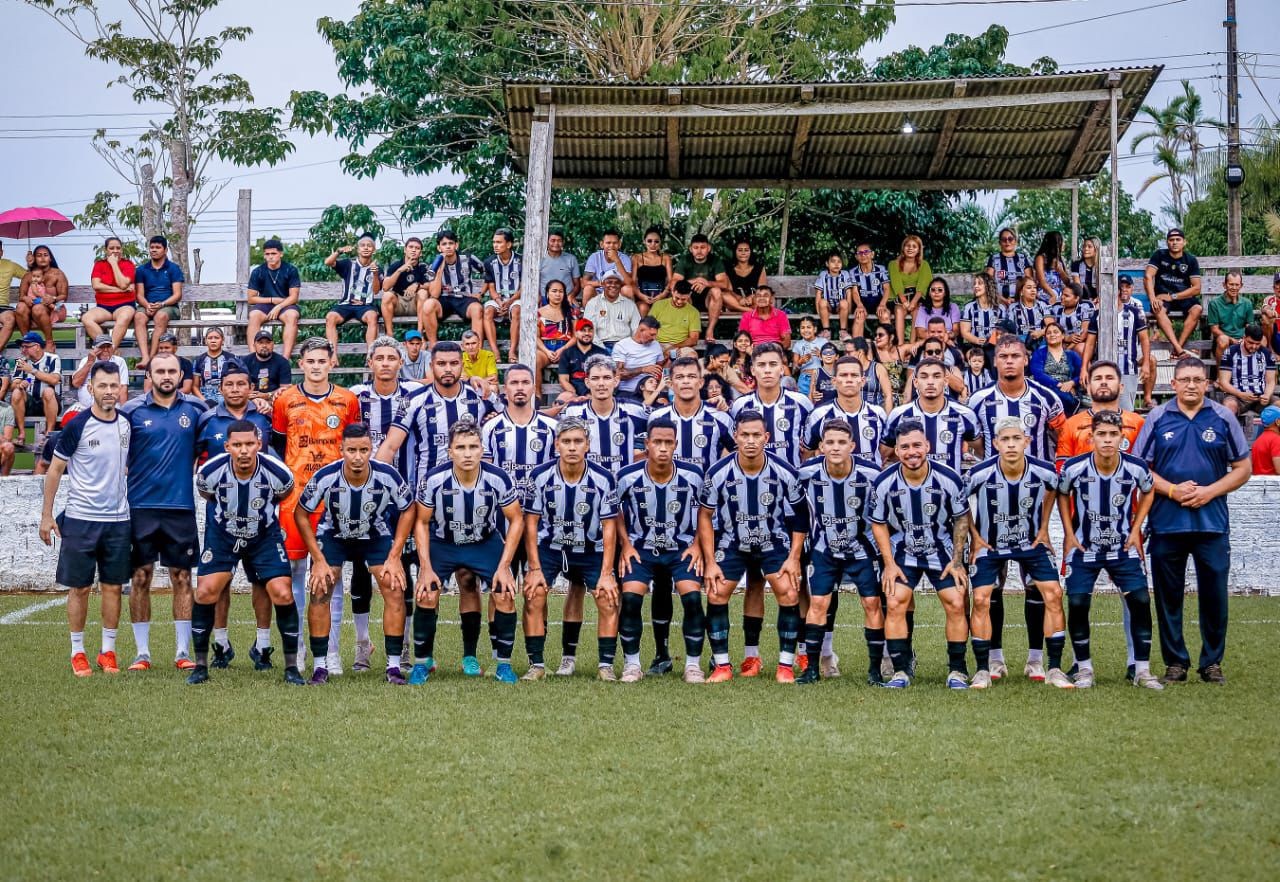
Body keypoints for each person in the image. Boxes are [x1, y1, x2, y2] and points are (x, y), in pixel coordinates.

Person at [1135, 357, 1251, 685]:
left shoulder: (1222, 417)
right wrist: (1171, 489)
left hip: (1211, 524)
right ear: (1173, 384)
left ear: (1207, 383)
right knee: (1168, 597)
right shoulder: (1157, 417)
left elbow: (1244, 468)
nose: (1190, 384)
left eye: (1197, 379)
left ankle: (1211, 663)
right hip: (1166, 523)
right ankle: (1176, 663)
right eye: (1184, 379)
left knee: (1214, 595)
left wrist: (1210, 492)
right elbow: (1140, 468)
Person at [967, 335, 1066, 679]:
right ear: (995, 361)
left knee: (1035, 584)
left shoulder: (1045, 398)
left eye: (1015, 356)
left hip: (1033, 504)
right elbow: (976, 444)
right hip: (990, 504)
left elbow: (1061, 437)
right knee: (990, 585)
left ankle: (1036, 659)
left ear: (1026, 360)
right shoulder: (978, 401)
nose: (1009, 361)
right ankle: (994, 659)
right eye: (1003, 356)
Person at [294, 424, 414, 685]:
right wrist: (318, 559)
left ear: (371, 449)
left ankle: (393, 667)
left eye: (363, 450)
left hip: (374, 535)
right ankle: (320, 666)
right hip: (334, 536)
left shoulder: (388, 475)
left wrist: (395, 555)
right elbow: (301, 513)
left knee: (394, 587)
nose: (358, 457)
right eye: (351, 450)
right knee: (320, 588)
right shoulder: (327, 475)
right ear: (342, 450)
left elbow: (409, 509)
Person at [186, 420, 303, 686]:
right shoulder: (209, 472)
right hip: (224, 535)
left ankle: (291, 667)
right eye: (237, 445)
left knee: (282, 592)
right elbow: (206, 493)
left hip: (264, 536)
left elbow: (283, 495)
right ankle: (201, 665)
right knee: (205, 591)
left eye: (249, 444)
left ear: (259, 445)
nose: (244, 450)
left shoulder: (279, 473)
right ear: (227, 446)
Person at [1053, 359, 1146, 680]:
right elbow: (1061, 473)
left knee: (1133, 595)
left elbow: (1147, 473)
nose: (1104, 383)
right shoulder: (1071, 424)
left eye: (1110, 378)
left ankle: (1137, 662)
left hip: (1127, 525)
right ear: (1088, 385)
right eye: (1097, 378)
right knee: (1078, 596)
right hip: (1082, 528)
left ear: (1121, 386)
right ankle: (1081, 663)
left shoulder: (1137, 423)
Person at [271, 338, 361, 670]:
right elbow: (279, 449)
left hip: (334, 500)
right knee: (293, 572)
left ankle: (332, 651)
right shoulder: (286, 401)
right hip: (295, 500)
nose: (316, 366)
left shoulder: (347, 400)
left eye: (322, 361)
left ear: (332, 363)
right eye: (310, 361)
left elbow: (354, 445)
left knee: (331, 575)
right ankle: (297, 650)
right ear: (301, 363)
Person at [411, 418, 523, 683]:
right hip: (443, 543)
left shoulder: (497, 478)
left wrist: (505, 566)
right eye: (460, 447)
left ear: (482, 448)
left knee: (505, 593)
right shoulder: (433, 479)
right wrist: (425, 568)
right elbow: (422, 522)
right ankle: (421, 662)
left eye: (473, 446)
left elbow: (516, 519)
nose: (467, 453)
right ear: (450, 451)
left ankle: (500, 664)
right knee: (426, 593)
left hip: (483, 542)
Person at [1057, 410, 1163, 689]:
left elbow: (1149, 490)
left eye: (1113, 434)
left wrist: (1137, 526)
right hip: (1085, 548)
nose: (1107, 440)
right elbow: (1061, 493)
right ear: (1091, 437)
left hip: (1122, 548)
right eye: (1101, 434)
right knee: (1078, 604)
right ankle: (1084, 669)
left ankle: (1142, 670)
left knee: (1140, 601)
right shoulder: (1074, 467)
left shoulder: (1136, 467)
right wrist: (1069, 533)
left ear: (1122, 438)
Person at [698, 409, 805, 683]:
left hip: (772, 542)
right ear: (735, 436)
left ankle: (785, 666)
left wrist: (794, 557)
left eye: (756, 435)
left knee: (789, 593)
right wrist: (710, 561)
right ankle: (723, 665)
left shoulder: (785, 471)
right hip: (733, 543)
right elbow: (705, 516)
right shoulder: (717, 473)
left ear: (766, 437)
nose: (750, 441)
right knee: (717, 593)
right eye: (744, 435)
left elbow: (801, 516)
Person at [39, 361, 131, 677]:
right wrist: (47, 515)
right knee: (79, 588)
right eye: (102, 385)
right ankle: (78, 652)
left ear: (121, 388)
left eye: (114, 386)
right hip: (80, 519)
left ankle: (108, 652)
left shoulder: (126, 425)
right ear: (90, 388)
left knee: (113, 587)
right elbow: (54, 470)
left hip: (119, 521)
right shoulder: (77, 425)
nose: (109, 391)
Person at [119, 352, 208, 672]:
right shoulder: (130, 410)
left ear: (180, 374)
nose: (166, 376)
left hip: (180, 508)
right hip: (140, 508)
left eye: (172, 370)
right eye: (160, 371)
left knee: (182, 577)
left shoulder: (197, 410)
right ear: (151, 375)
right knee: (140, 577)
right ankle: (142, 653)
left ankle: (182, 652)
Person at [870, 419, 971, 690]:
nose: (911, 451)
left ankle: (958, 671)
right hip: (904, 550)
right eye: (905, 447)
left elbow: (962, 519)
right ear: (897, 450)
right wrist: (889, 564)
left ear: (927, 445)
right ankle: (900, 671)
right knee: (894, 602)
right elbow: (877, 523)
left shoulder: (948, 477)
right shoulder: (884, 481)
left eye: (917, 445)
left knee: (955, 601)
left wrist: (957, 561)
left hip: (941, 550)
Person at [524, 417, 621, 680]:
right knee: (534, 594)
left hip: (591, 549)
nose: (572, 447)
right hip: (551, 548)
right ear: (557, 445)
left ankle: (605, 666)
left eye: (578, 441)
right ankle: (537, 665)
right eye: (566, 441)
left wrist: (607, 573)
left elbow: (610, 527)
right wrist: (534, 568)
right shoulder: (539, 476)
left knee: (607, 597)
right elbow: (530, 524)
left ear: (587, 445)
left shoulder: (603, 479)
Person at [347, 338, 424, 671]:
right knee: (362, 570)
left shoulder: (414, 397)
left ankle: (403, 644)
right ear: (370, 361)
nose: (386, 363)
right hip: (362, 497)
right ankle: (363, 644)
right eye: (379, 358)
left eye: (392, 358)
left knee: (402, 570)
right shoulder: (354, 396)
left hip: (402, 497)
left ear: (400, 361)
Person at [194, 363, 277, 668]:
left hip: (260, 518)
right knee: (220, 581)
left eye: (241, 384)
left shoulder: (264, 417)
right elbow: (196, 464)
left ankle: (263, 645)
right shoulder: (207, 420)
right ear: (221, 388)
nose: (235, 389)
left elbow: (277, 461)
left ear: (250, 386)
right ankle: (221, 643)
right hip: (221, 520)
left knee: (262, 581)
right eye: (229, 384)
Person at [615, 420, 708, 683]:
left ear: (676, 445)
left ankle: (692, 665)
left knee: (691, 599)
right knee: (631, 599)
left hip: (680, 550)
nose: (663, 448)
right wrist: (626, 544)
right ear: (647, 445)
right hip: (641, 550)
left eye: (669, 442)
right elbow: (614, 512)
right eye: (658, 442)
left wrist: (697, 544)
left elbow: (706, 510)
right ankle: (632, 664)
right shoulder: (627, 476)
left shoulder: (693, 475)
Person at [793, 421, 884, 684]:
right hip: (825, 548)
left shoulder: (871, 474)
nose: (835, 447)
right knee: (818, 604)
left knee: (871, 604)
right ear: (821, 446)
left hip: (862, 549)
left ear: (852, 446)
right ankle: (812, 668)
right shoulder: (806, 473)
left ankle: (875, 670)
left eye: (842, 442)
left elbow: (883, 513)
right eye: (830, 442)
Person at [884, 358, 980, 472]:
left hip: (950, 488)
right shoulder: (899, 415)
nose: (930, 382)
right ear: (915, 382)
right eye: (924, 377)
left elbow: (981, 453)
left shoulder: (964, 414)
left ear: (945, 381)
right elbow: (883, 454)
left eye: (936, 376)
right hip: (912, 486)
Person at [649, 356, 735, 473]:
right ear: (670, 384)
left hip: (706, 489)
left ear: (700, 383)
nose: (686, 381)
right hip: (669, 489)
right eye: (679, 377)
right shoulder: (657, 417)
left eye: (691, 376)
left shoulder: (720, 417)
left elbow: (738, 453)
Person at [1082, 275, 1151, 411]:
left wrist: (1147, 363)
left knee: (1125, 411)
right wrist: (1084, 367)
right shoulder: (1098, 315)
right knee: (1102, 410)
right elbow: (1089, 343)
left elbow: (1144, 339)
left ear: (1118, 292)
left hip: (1127, 368)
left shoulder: (1134, 313)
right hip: (1102, 369)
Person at [804, 356, 888, 464]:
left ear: (862, 381)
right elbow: (808, 454)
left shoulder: (879, 413)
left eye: (854, 375)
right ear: (834, 381)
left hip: (870, 479)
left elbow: (885, 451)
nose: (849, 380)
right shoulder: (818, 415)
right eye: (843, 375)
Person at [420, 230, 486, 350]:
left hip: (465, 298)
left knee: (477, 309)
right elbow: (434, 294)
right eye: (444, 244)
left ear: (456, 245)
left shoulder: (468, 259)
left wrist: (480, 293)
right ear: (439, 247)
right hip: (444, 299)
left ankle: (477, 350)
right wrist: (439, 268)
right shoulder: (433, 265)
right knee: (428, 305)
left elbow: (488, 274)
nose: (448, 246)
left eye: (451, 243)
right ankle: (433, 347)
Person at [1146, 228, 1202, 358]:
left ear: (1184, 242)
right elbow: (1148, 276)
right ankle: (1179, 350)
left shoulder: (1191, 260)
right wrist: (1153, 298)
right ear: (1167, 243)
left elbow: (1197, 288)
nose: (1175, 242)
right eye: (1171, 240)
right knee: (1158, 308)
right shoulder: (1159, 255)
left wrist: (1173, 296)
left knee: (1197, 309)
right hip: (1162, 297)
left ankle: (1177, 349)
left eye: (1178, 240)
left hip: (1182, 297)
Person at [323, 234, 381, 353]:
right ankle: (332, 355)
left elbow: (376, 290)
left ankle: (370, 354)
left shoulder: (376, 268)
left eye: (369, 246)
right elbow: (328, 262)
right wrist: (339, 251)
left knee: (372, 316)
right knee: (330, 317)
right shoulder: (348, 264)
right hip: (346, 304)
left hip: (366, 306)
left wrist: (375, 274)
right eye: (363, 245)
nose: (366, 248)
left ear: (373, 250)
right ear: (358, 249)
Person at [132, 236, 184, 368]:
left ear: (165, 250)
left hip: (168, 306)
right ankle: (145, 357)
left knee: (161, 316)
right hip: (147, 305)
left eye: (158, 247)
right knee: (138, 316)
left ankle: (152, 357)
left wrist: (162, 304)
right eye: (152, 247)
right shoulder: (142, 270)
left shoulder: (173, 268)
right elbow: (139, 295)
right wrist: (147, 305)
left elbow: (177, 294)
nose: (154, 250)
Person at [245, 238, 301, 359]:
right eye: (267, 254)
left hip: (285, 305)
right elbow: (251, 299)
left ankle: (285, 358)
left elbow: (294, 297)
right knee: (253, 315)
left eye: (273, 253)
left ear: (281, 254)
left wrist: (279, 306)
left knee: (292, 316)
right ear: (264, 255)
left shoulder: (290, 270)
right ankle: (252, 357)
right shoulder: (258, 271)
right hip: (265, 305)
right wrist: (272, 300)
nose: (270, 257)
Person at [672, 235, 732, 343]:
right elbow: (674, 282)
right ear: (691, 249)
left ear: (708, 248)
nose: (699, 251)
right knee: (682, 294)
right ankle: (688, 332)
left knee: (716, 291)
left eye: (702, 247)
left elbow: (724, 284)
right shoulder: (685, 260)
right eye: (696, 248)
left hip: (708, 300)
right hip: (690, 299)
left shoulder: (715, 260)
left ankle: (710, 330)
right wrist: (695, 281)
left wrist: (707, 282)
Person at [83, 237, 137, 352]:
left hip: (125, 305)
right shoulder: (99, 265)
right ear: (106, 250)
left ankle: (110, 351)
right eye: (111, 248)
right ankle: (109, 349)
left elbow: (122, 283)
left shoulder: (128, 264)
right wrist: (121, 290)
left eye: (118, 248)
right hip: (104, 307)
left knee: (124, 317)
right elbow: (97, 285)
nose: (115, 251)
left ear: (122, 250)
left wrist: (113, 264)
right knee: (87, 318)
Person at [480, 228, 523, 358]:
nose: (495, 245)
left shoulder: (522, 260)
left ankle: (512, 350)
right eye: (494, 242)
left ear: (509, 244)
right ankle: (495, 351)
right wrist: (499, 302)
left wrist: (509, 301)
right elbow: (491, 288)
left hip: (516, 298)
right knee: (487, 311)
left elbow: (524, 287)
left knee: (516, 309)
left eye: (499, 242)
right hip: (498, 299)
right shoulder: (489, 262)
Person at [11, 331, 61, 441]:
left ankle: (49, 434)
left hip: (49, 402)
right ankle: (21, 434)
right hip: (30, 403)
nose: (23, 350)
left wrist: (32, 370)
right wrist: (20, 384)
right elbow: (14, 384)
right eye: (22, 347)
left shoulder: (52, 358)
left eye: (26, 346)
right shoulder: (21, 361)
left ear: (37, 346)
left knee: (48, 391)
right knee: (16, 392)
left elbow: (54, 380)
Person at [17, 245, 68, 353]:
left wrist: (53, 299)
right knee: (20, 307)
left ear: (50, 258)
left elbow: (64, 295)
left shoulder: (57, 274)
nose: (43, 258)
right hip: (33, 310)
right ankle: (27, 341)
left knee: (38, 308)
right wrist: (26, 298)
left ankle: (49, 342)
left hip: (54, 309)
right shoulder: (29, 275)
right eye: (39, 255)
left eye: (45, 255)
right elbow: (21, 296)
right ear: (34, 258)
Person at [1218, 324, 1276, 417]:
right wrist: (1240, 394)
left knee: (1278, 405)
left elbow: (1271, 381)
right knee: (1229, 407)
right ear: (1244, 337)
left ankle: (1269, 432)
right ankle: (1233, 431)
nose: (1254, 346)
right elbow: (1223, 382)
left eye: (1257, 344)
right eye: (1250, 342)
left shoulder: (1266, 353)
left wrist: (1267, 395)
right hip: (1237, 396)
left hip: (1260, 397)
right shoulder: (1231, 352)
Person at [1030, 320, 1084, 415]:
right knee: (1056, 396)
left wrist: (1071, 383)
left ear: (1063, 336)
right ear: (1045, 337)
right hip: (1046, 388)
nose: (1052, 335)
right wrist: (1059, 385)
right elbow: (1038, 374)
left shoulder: (1072, 355)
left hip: (1068, 389)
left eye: (1055, 332)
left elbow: (1081, 373)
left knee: (1067, 397)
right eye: (1048, 333)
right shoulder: (1039, 353)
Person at [380, 236, 429, 339]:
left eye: (417, 248)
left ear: (420, 252)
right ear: (405, 250)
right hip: (399, 303)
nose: (414, 250)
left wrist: (417, 285)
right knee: (387, 296)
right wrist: (399, 271)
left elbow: (431, 285)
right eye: (411, 247)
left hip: (416, 304)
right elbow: (385, 287)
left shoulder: (423, 267)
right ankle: (390, 336)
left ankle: (420, 334)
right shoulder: (396, 265)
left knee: (423, 293)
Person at [888, 235, 932, 341]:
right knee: (899, 311)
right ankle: (901, 344)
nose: (910, 248)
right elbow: (896, 284)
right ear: (903, 248)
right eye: (907, 245)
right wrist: (904, 302)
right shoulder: (894, 264)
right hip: (901, 297)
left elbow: (922, 285)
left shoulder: (924, 265)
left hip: (917, 297)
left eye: (914, 246)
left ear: (918, 250)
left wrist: (913, 303)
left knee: (918, 312)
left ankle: (912, 344)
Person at [582, 271, 640, 351]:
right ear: (602, 284)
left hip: (625, 346)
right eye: (609, 282)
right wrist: (602, 349)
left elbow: (636, 329)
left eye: (617, 283)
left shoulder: (630, 305)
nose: (613, 285)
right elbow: (588, 330)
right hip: (600, 345)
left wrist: (631, 347)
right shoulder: (593, 303)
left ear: (620, 285)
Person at [611, 316, 665, 401]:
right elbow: (618, 374)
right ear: (641, 330)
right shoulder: (622, 345)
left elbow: (660, 367)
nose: (654, 338)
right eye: (651, 334)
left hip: (650, 392)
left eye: (655, 335)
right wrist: (643, 369)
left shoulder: (656, 345)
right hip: (628, 392)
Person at [1208, 271, 1258, 362]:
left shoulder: (1247, 303)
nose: (1234, 288)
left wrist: (1244, 338)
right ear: (1224, 285)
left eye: (1237, 285)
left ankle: (1254, 373)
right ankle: (1220, 375)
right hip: (1223, 340)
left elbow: (1249, 325)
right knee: (1223, 340)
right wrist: (1231, 340)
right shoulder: (1214, 303)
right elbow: (1214, 329)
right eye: (1231, 284)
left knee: (1260, 339)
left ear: (1241, 286)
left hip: (1243, 339)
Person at [848, 243, 894, 340]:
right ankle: (857, 349)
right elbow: (855, 292)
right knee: (859, 316)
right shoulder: (853, 272)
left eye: (866, 252)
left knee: (885, 315)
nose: (863, 255)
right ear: (856, 257)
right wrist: (859, 305)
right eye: (860, 253)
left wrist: (882, 304)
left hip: (878, 301)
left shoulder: (880, 269)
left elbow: (886, 288)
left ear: (872, 254)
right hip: (863, 302)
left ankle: (887, 347)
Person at [72, 335, 129, 411]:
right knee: (70, 417)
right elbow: (76, 383)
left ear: (112, 348)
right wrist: (89, 362)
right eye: (101, 347)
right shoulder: (86, 361)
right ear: (94, 348)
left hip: (111, 407)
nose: (105, 349)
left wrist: (124, 411)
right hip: (85, 408)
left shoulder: (119, 361)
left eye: (108, 346)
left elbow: (123, 388)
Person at [556, 319, 608, 401]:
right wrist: (575, 396)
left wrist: (593, 394)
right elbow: (563, 379)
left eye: (590, 330)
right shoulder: (567, 353)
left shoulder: (602, 353)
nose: (587, 333)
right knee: (560, 400)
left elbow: (608, 377)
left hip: (597, 393)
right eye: (583, 331)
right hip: (574, 394)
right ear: (576, 334)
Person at [581, 229, 637, 304]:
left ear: (619, 244)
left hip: (618, 293)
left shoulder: (625, 259)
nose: (611, 246)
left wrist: (617, 260)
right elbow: (584, 283)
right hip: (599, 293)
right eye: (608, 243)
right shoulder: (594, 257)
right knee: (588, 289)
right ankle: (588, 315)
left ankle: (626, 315)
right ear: (602, 244)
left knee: (627, 290)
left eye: (615, 243)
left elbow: (629, 283)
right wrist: (601, 283)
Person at [534, 279, 576, 377]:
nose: (558, 294)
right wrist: (547, 352)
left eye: (561, 291)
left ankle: (572, 392)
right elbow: (536, 337)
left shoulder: (571, 311)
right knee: (535, 362)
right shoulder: (538, 312)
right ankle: (537, 392)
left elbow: (576, 336)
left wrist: (562, 350)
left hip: (566, 348)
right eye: (554, 291)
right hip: (545, 349)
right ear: (547, 293)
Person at [190, 328, 242, 406]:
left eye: (216, 338)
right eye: (210, 338)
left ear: (223, 340)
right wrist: (204, 401)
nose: (213, 341)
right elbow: (195, 386)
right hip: (205, 396)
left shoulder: (231, 358)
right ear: (205, 341)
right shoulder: (199, 360)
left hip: (227, 395)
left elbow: (238, 381)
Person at [648, 282, 701, 356]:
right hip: (658, 344)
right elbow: (648, 327)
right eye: (677, 298)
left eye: (683, 299)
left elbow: (693, 339)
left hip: (681, 346)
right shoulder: (658, 305)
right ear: (672, 292)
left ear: (689, 295)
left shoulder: (693, 312)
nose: (679, 302)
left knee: (692, 356)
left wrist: (674, 347)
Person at [812, 249, 854, 341]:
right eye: (833, 261)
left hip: (841, 307)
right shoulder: (823, 275)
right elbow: (818, 294)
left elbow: (848, 293)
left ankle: (843, 331)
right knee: (822, 301)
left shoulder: (845, 274)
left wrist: (849, 310)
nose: (836, 264)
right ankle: (826, 331)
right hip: (828, 307)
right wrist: (818, 310)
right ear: (827, 264)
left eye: (839, 262)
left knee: (844, 302)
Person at [631, 225, 672, 315]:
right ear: (644, 241)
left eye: (656, 241)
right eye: (649, 241)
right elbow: (633, 281)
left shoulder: (665, 258)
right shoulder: (637, 258)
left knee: (661, 309)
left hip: (661, 296)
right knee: (643, 308)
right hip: (642, 296)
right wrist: (641, 296)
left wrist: (663, 295)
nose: (653, 244)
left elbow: (670, 280)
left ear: (660, 242)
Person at [986, 228, 1031, 305]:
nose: (1007, 242)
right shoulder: (994, 258)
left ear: (1015, 241)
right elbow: (988, 283)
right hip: (999, 302)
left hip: (1021, 302)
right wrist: (1003, 300)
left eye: (1010, 239)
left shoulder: (1022, 258)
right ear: (1000, 242)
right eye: (1004, 239)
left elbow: (1030, 282)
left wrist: (1019, 300)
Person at [244, 330, 293, 401]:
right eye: (260, 342)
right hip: (250, 400)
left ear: (273, 344)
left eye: (268, 342)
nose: (264, 345)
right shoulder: (245, 361)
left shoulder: (282, 362)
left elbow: (285, 389)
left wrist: (268, 395)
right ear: (254, 345)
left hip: (275, 399)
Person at [959, 273, 1001, 355]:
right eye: (974, 283)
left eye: (980, 283)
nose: (975, 286)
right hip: (973, 346)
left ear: (988, 286)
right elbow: (964, 332)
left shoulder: (1000, 308)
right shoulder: (969, 307)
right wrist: (976, 340)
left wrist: (990, 343)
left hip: (994, 346)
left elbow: (1001, 330)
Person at [1004, 274, 1049, 349]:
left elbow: (1052, 326)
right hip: (1020, 342)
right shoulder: (1013, 307)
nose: (1033, 290)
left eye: (1035, 287)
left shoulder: (1042, 305)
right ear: (1021, 291)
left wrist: (1040, 332)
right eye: (1029, 287)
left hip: (1040, 340)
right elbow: (1009, 329)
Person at [724, 238, 765, 319]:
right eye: (740, 250)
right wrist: (739, 299)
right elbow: (728, 290)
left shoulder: (759, 268)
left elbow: (762, 289)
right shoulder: (728, 269)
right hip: (735, 303)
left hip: (752, 302)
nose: (743, 253)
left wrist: (751, 297)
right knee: (723, 295)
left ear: (750, 252)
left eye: (746, 250)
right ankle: (748, 311)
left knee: (761, 297)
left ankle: (750, 310)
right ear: (735, 252)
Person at [540, 228, 582, 307]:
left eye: (559, 241)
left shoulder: (571, 259)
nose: (556, 243)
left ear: (563, 242)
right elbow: (534, 282)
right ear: (547, 242)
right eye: (553, 240)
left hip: (566, 298)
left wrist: (571, 296)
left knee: (576, 316)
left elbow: (577, 284)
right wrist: (538, 297)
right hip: (545, 298)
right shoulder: (539, 260)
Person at [0, 240, 30, 350]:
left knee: (10, 319)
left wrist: (30, 264)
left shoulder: (10, 265)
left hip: (2, 308)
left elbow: (29, 276)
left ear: (1, 252)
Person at [1051, 282, 1094, 357]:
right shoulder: (1056, 308)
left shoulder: (1086, 306)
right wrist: (1066, 338)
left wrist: (1067, 350)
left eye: (1066, 296)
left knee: (1081, 349)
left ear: (1076, 298)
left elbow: (1083, 334)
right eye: (1062, 294)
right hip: (1061, 341)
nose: (1062, 297)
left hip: (1080, 343)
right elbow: (1051, 330)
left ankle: (1086, 369)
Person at [912, 277, 961, 343]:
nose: (936, 292)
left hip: (949, 341)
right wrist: (939, 338)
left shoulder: (953, 307)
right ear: (929, 293)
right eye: (933, 290)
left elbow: (956, 330)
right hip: (929, 343)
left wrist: (948, 336)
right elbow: (920, 332)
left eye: (940, 290)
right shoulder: (923, 308)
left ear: (945, 293)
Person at [872, 325, 909, 406]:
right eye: (876, 335)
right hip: (879, 397)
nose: (877, 337)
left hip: (898, 396)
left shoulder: (900, 350)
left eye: (880, 335)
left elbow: (921, 343)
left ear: (891, 337)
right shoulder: (872, 350)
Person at [1032, 231, 1069, 304]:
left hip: (1060, 293)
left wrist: (1061, 272)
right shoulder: (1041, 258)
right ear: (1056, 244)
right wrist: (1053, 295)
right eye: (1062, 241)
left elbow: (1067, 282)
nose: (1064, 244)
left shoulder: (1060, 259)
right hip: (1046, 293)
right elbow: (1042, 281)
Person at [460, 328, 498, 395]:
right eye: (467, 344)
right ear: (462, 346)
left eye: (473, 343)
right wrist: (483, 380)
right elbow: (462, 380)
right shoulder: (460, 358)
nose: (471, 347)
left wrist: (470, 380)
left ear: (479, 343)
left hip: (484, 386)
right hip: (468, 388)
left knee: (493, 387)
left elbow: (493, 378)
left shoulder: (488, 355)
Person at [1251, 405, 1280, 476]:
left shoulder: (1258, 440)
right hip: (1273, 485)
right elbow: (1279, 470)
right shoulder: (1276, 440)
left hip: (1260, 484)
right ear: (1277, 421)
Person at [1071, 236, 1101, 302]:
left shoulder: (1101, 266)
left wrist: (1099, 298)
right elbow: (1078, 287)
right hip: (1082, 299)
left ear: (1096, 249)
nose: (1085, 249)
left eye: (1089, 247)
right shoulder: (1076, 265)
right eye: (1084, 246)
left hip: (1099, 300)